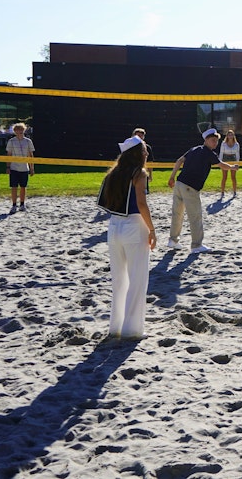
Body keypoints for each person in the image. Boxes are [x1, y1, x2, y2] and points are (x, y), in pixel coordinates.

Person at [99, 135, 156, 339]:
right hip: (133, 226)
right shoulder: (139, 173)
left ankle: (115, 328)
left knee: (119, 281)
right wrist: (152, 229)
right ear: (136, 154)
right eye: (143, 150)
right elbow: (141, 204)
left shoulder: (113, 173)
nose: (146, 153)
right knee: (137, 279)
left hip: (114, 227)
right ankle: (133, 330)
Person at [167, 128, 235, 253]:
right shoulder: (208, 153)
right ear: (206, 140)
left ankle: (173, 240)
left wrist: (172, 177)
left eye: (216, 141)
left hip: (179, 184)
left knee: (177, 214)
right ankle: (196, 245)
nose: (215, 143)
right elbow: (221, 165)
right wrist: (232, 167)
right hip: (190, 187)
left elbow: (179, 161)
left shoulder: (194, 149)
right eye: (213, 140)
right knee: (195, 216)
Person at [6, 122, 35, 212]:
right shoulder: (11, 141)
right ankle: (14, 205)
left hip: (24, 168)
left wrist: (31, 168)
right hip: (14, 167)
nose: (19, 133)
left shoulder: (28, 141)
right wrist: (8, 167)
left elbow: (30, 155)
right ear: (15, 131)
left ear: (24, 130)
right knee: (14, 187)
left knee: (23, 187)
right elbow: (9, 154)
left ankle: (22, 204)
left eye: (21, 131)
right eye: (17, 131)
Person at [219, 130, 240, 197]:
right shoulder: (223, 143)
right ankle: (222, 192)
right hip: (225, 159)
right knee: (224, 177)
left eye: (231, 135)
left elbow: (237, 154)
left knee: (233, 177)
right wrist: (220, 162)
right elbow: (221, 153)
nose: (230, 136)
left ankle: (234, 192)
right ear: (227, 136)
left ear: (233, 136)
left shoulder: (236, 144)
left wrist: (237, 163)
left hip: (233, 159)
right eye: (229, 135)